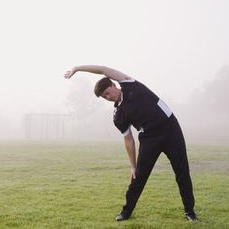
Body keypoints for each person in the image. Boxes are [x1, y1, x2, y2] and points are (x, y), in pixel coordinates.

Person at [64, 65, 197, 222]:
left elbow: (103, 69)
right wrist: (133, 166)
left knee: (182, 172)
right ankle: (126, 212)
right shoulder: (118, 115)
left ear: (114, 85)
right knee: (138, 177)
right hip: (149, 137)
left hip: (171, 130)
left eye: (107, 92)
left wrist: (77, 68)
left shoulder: (129, 84)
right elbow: (129, 140)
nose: (107, 97)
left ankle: (190, 212)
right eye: (104, 97)